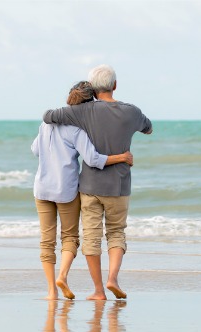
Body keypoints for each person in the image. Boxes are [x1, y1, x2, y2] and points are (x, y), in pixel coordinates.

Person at [43, 64, 153, 300]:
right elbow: (148, 128)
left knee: (91, 237)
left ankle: (99, 291)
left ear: (93, 88)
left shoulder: (83, 112)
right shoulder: (132, 111)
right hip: (120, 186)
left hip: (90, 186)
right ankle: (113, 278)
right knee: (116, 233)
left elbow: (49, 116)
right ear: (114, 85)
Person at [32, 81, 133, 300]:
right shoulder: (77, 130)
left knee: (46, 239)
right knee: (69, 237)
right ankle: (63, 276)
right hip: (65, 190)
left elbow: (35, 150)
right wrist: (122, 157)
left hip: (41, 188)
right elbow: (93, 159)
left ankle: (51, 291)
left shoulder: (45, 125)